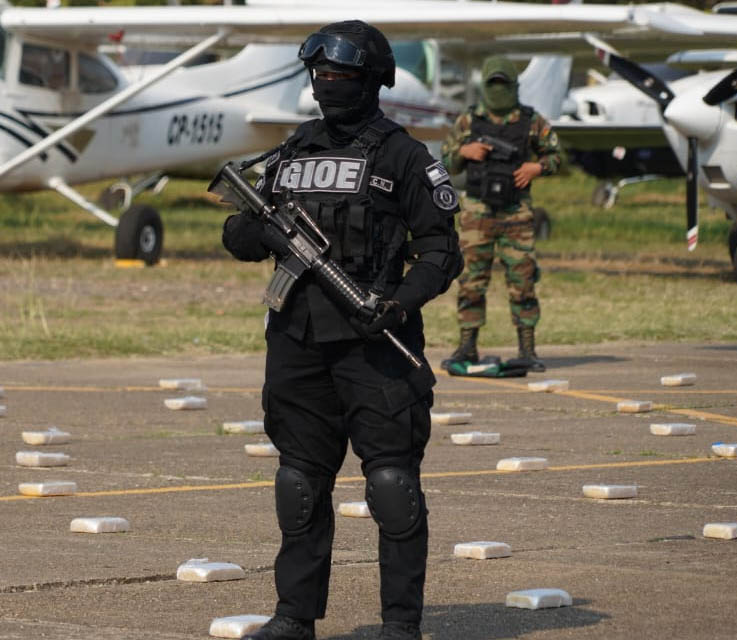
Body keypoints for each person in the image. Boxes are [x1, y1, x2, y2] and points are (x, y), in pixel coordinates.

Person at [219, 20, 462, 640]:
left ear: (374, 80)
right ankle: (295, 616)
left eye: (343, 74)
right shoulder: (293, 148)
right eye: (321, 74)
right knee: (298, 482)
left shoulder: (406, 156)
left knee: (390, 486)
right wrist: (262, 233)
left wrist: (400, 304)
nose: (329, 83)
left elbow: (441, 252)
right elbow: (237, 234)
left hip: (375, 343)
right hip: (296, 342)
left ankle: (400, 624)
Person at [440, 55, 563, 372]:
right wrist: (463, 152)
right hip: (476, 213)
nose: (497, 90)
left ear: (513, 86)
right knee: (470, 282)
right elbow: (447, 160)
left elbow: (556, 155)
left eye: (502, 84)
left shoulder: (531, 121)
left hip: (515, 213)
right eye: (492, 83)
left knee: (522, 281)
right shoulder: (468, 121)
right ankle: (467, 347)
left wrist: (538, 167)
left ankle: (527, 349)